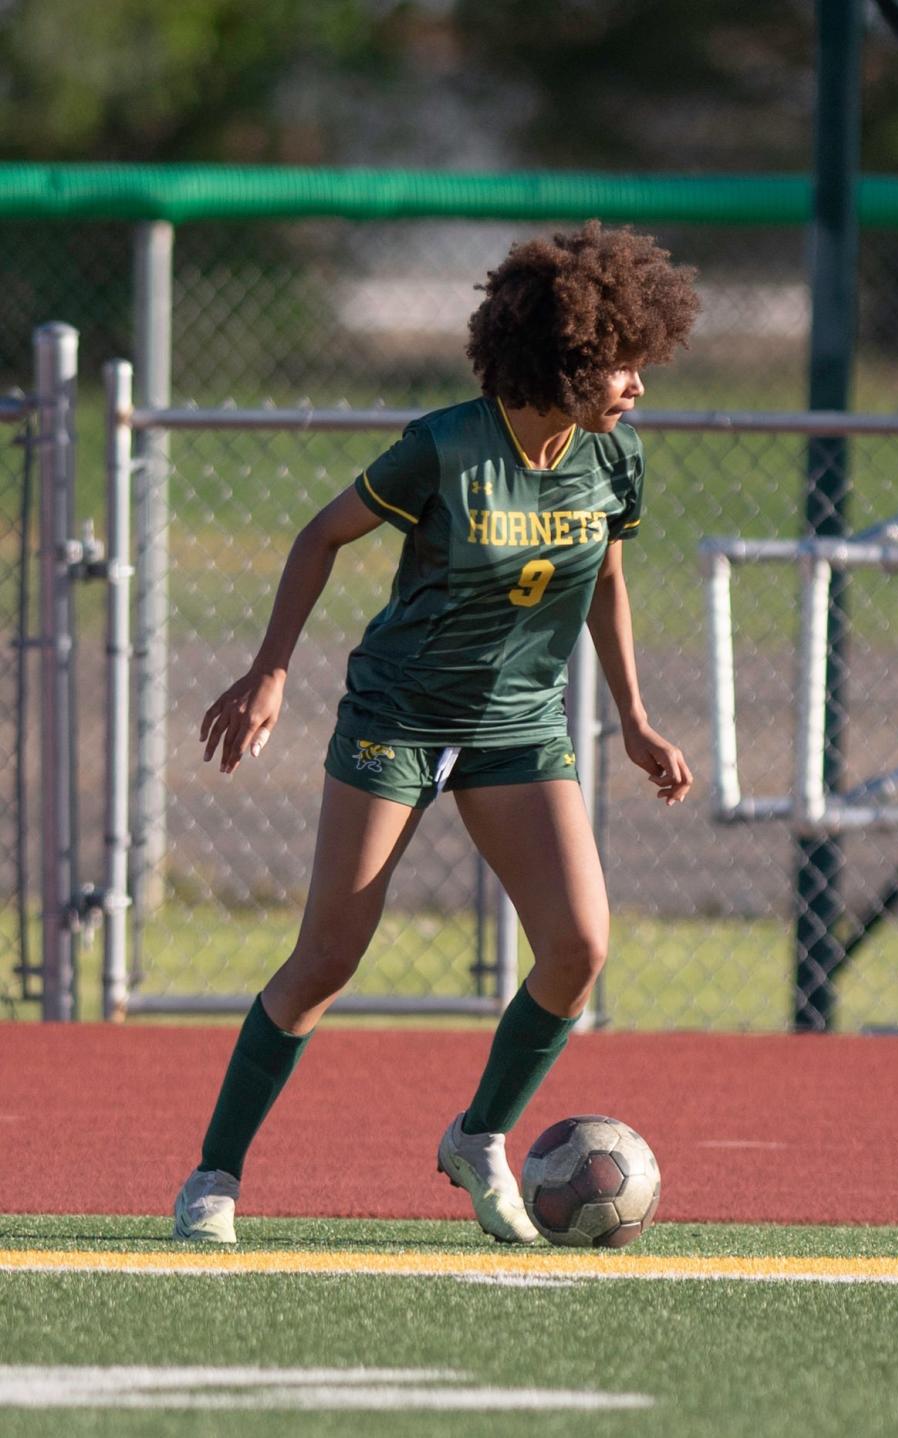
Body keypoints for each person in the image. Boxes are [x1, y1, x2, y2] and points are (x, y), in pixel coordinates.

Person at [173, 221, 698, 1245]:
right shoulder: (445, 447)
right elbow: (321, 533)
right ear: (567, 359)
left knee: (581, 946)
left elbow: (607, 579)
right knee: (326, 958)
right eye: (622, 362)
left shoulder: (614, 458)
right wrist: (270, 667)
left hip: (518, 728)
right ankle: (214, 1175)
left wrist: (632, 715)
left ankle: (479, 1135)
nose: (637, 384)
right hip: (400, 720)